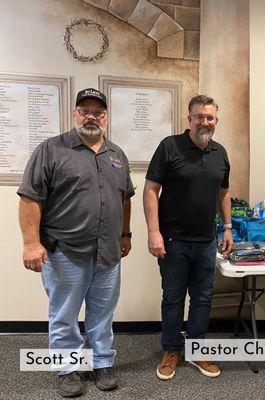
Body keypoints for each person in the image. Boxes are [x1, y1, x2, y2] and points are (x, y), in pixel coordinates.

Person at [17, 88, 135, 398]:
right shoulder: (52, 150)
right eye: (85, 110)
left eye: (98, 111)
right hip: (65, 251)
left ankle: (101, 362)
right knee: (65, 313)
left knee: (103, 313)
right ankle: (66, 368)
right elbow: (30, 198)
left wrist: (126, 233)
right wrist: (31, 243)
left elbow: (125, 198)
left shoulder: (117, 154)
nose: (91, 116)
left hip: (107, 253)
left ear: (106, 117)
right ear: (75, 114)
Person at [143, 95, 233, 380]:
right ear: (190, 118)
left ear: (216, 121)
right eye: (200, 116)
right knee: (173, 297)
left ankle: (196, 349)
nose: (205, 121)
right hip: (173, 241)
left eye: (210, 117)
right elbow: (150, 190)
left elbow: (223, 193)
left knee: (203, 298)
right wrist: (153, 231)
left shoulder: (220, 153)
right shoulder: (170, 146)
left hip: (207, 240)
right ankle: (171, 349)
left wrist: (228, 226)